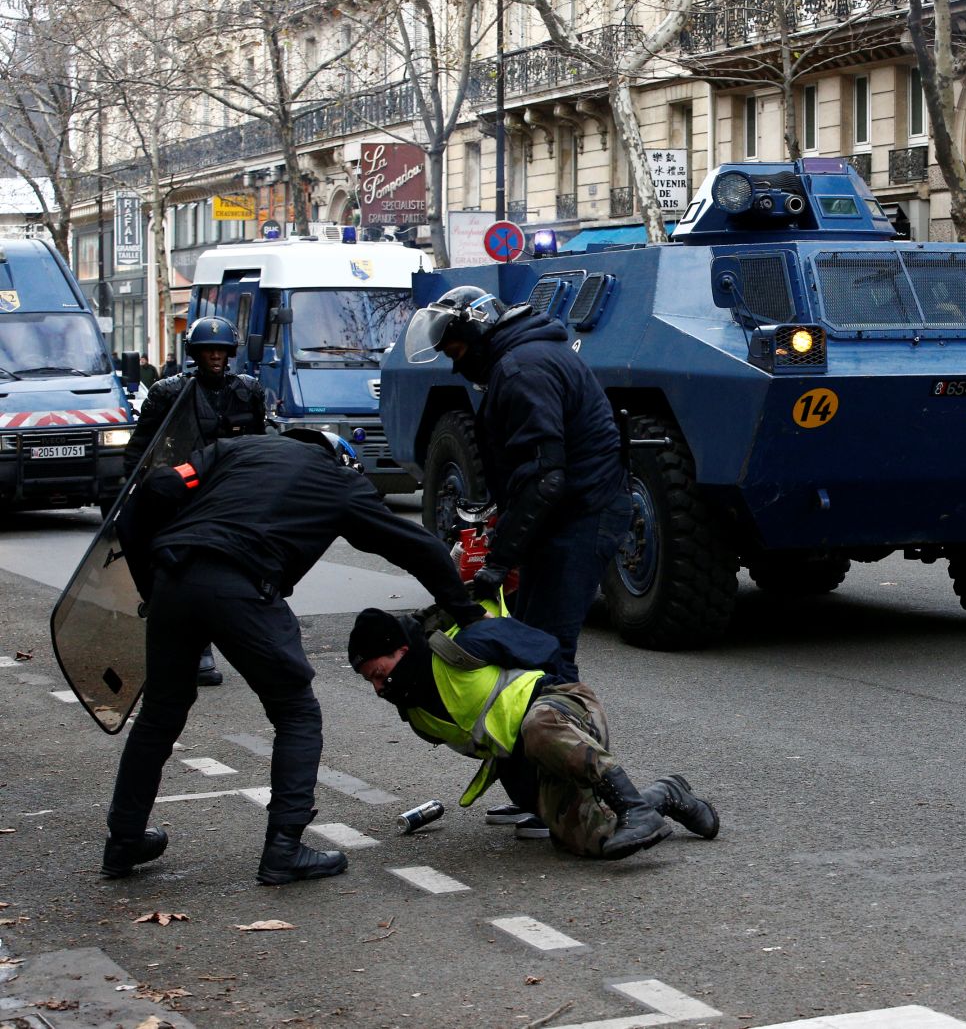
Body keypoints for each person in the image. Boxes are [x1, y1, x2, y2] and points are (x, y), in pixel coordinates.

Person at [101, 431, 487, 885]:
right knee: (296, 712)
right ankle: (284, 848)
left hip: (174, 578)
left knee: (160, 715)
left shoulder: (235, 450)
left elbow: (154, 491)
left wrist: (156, 588)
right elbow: (417, 547)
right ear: (338, 457)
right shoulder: (336, 479)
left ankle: (123, 841)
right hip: (242, 584)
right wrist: (466, 613)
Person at [347, 604, 718, 859]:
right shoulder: (414, 714)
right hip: (529, 757)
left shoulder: (456, 645)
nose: (380, 688)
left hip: (566, 711)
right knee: (595, 840)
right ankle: (665, 795)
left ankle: (635, 807)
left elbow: (544, 646)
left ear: (401, 649)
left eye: (380, 674)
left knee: (537, 725)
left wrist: (562, 702)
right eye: (371, 683)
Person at [404, 286, 631, 687]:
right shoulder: (527, 356)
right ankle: (531, 743)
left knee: (546, 650)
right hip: (571, 513)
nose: (457, 368)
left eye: (456, 353)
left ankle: (571, 742)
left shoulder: (521, 369)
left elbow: (545, 477)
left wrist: (499, 560)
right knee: (530, 639)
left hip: (581, 516)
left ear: (477, 335)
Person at [125, 316, 267, 687]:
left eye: (221, 350)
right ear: (195, 354)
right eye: (208, 350)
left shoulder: (248, 391)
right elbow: (141, 450)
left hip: (230, 495)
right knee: (182, 566)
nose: (215, 357)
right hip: (183, 491)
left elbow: (260, 445)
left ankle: (254, 644)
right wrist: (135, 492)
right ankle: (192, 645)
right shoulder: (168, 392)